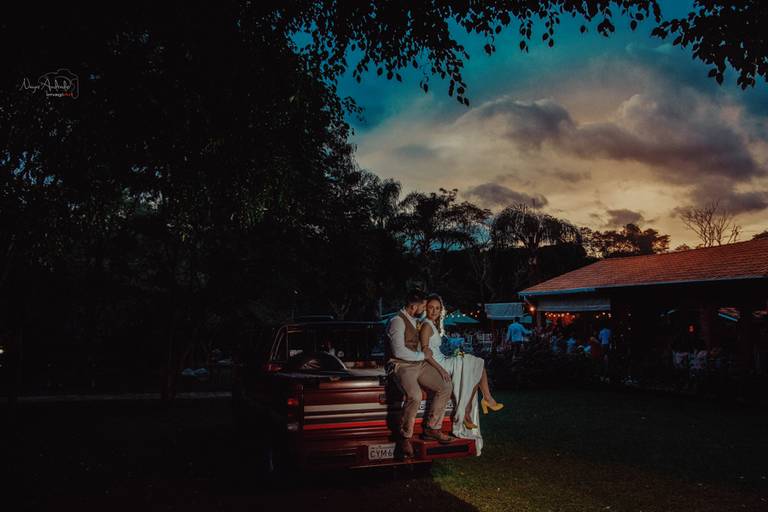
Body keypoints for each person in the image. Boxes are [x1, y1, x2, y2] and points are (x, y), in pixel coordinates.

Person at [419, 294, 503, 456]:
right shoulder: (426, 325)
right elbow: (425, 352)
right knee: (475, 362)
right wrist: (441, 369)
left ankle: (483, 400)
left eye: (437, 308)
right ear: (426, 308)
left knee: (476, 363)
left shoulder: (433, 325)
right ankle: (481, 402)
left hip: (443, 360)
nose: (434, 311)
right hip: (439, 365)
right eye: (431, 307)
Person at [386, 289, 453, 459]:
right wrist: (423, 355)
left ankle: (432, 427)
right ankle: (405, 436)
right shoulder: (397, 321)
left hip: (418, 364)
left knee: (445, 385)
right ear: (414, 306)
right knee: (415, 395)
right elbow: (398, 351)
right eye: (424, 305)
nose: (425, 309)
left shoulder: (416, 320)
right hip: (402, 365)